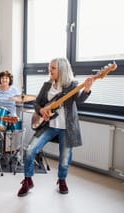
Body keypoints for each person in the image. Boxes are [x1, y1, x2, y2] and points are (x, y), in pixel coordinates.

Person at [17, 57, 94, 197]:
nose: (49, 70)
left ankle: (62, 180)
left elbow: (79, 99)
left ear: (62, 70)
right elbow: (37, 103)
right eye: (49, 67)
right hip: (49, 125)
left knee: (65, 157)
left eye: (53, 68)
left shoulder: (72, 85)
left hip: (67, 127)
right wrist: (41, 111)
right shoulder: (47, 85)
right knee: (29, 150)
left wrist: (87, 88)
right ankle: (28, 180)